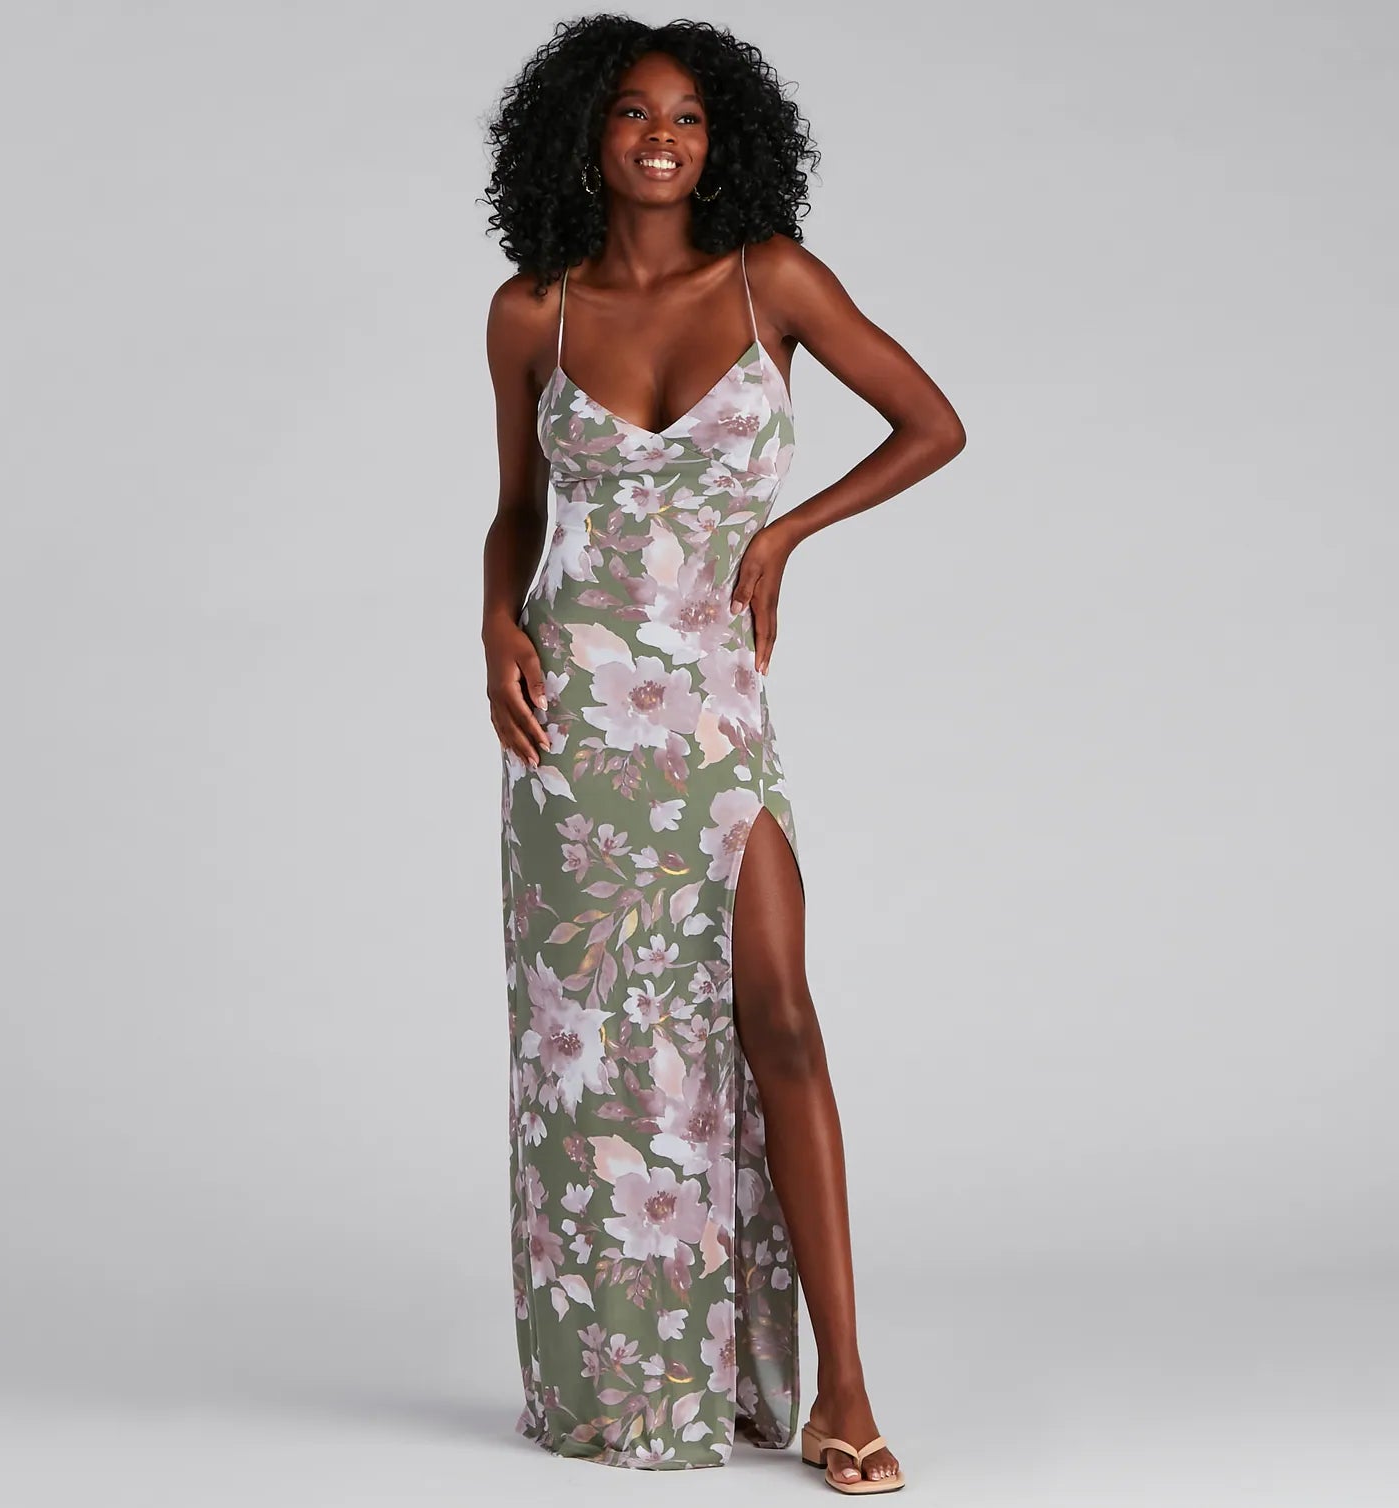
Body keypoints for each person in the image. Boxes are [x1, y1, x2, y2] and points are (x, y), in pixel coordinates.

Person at [479, 14, 964, 1491]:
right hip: (575, 724)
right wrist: (493, 626)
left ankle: (844, 1389)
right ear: (587, 133)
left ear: (724, 137)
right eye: (634, 112)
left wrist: (786, 533)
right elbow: (516, 512)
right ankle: (622, 1383)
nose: (663, 138)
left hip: (712, 711)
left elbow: (932, 424)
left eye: (689, 115)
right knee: (600, 1063)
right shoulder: (532, 311)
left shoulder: (773, 281)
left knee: (782, 1019)